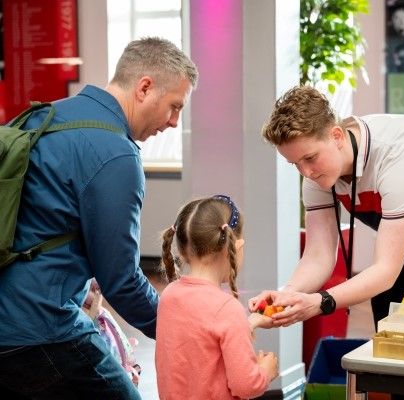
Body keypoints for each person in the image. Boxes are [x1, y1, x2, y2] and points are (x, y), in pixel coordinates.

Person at [0, 37, 198, 399]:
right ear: (144, 88)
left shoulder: (42, 117)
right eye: (174, 106)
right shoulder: (116, 155)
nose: (173, 122)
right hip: (43, 328)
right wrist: (182, 330)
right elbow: (122, 280)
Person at [251, 85, 404, 331]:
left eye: (310, 158)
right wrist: (286, 295)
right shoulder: (317, 175)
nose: (306, 172)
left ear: (337, 136)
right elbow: (318, 255)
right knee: (390, 338)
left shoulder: (401, 152)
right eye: (295, 163)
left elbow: (386, 271)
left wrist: (322, 302)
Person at [155, 195, 279, 400]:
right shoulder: (227, 309)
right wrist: (266, 371)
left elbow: (202, 343)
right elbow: (245, 386)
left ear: (183, 251)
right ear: (237, 248)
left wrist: (250, 323)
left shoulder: (169, 296)